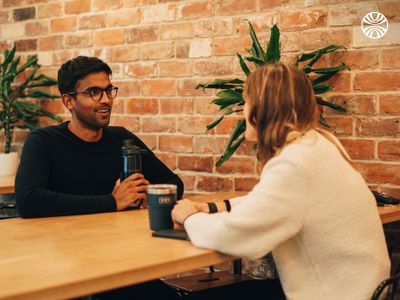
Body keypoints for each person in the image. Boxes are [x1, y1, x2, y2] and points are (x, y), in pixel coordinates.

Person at [172, 62, 390, 299]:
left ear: (262, 109)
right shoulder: (317, 145)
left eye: (246, 101)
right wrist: (210, 208)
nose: (242, 110)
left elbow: (233, 236)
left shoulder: (295, 163)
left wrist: (189, 217)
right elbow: (270, 202)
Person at [15, 56, 183, 299]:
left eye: (108, 90)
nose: (105, 100)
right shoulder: (43, 142)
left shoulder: (122, 138)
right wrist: (112, 202)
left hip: (122, 264)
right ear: (68, 101)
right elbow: (28, 200)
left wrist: (148, 193)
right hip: (62, 269)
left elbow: (174, 183)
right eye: (93, 92)